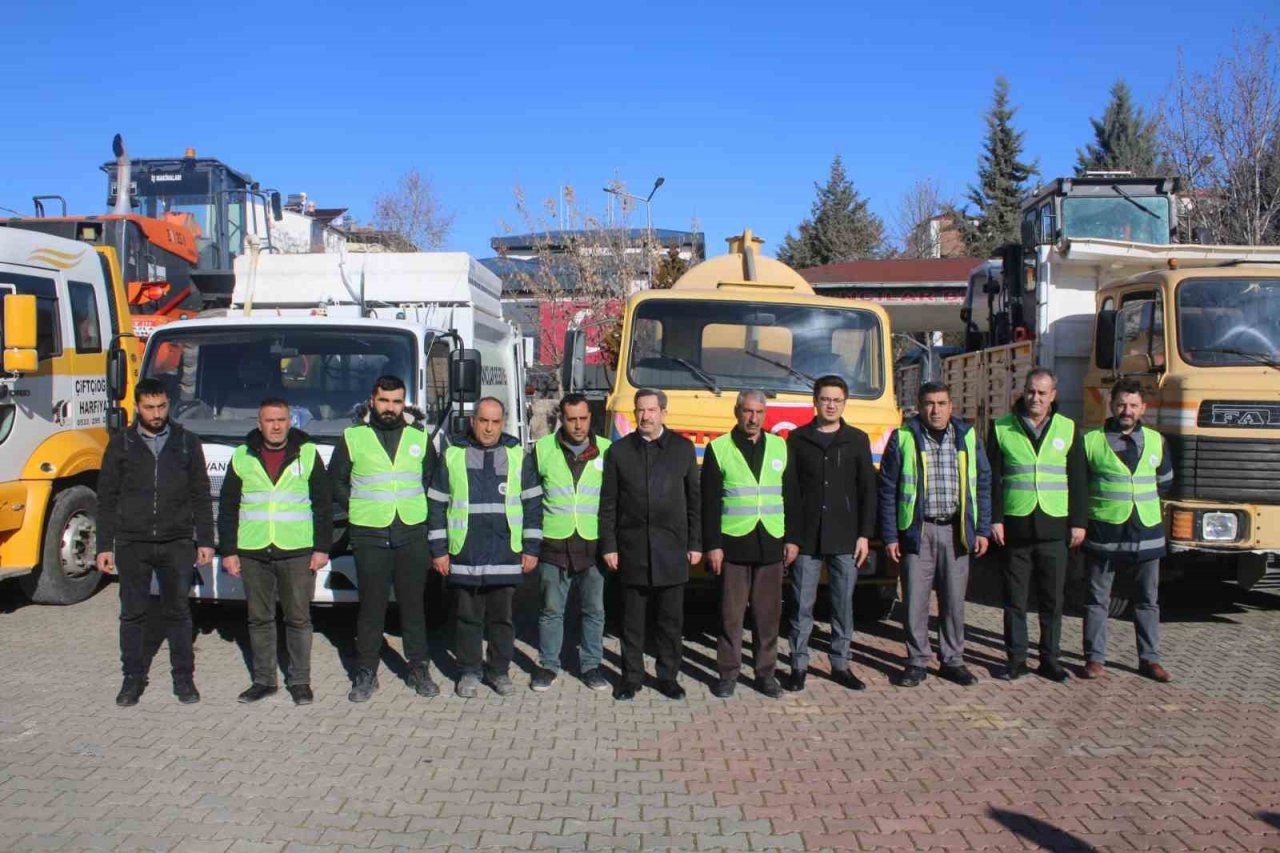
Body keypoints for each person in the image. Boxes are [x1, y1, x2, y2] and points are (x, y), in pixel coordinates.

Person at [96, 377, 214, 707]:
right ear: (137, 407)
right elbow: (106, 498)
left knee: (178, 613)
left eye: (162, 406)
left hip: (176, 542)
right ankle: (132, 678)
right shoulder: (121, 444)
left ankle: (184, 678)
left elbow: (200, 494)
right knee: (133, 614)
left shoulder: (187, 442)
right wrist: (104, 545)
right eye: (149, 407)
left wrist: (205, 539)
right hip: (133, 542)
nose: (157, 413)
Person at [329, 375, 437, 703]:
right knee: (371, 608)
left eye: (396, 401)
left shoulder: (419, 437)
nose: (390, 407)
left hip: (411, 532)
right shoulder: (353, 437)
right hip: (369, 533)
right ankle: (366, 672)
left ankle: (419, 668)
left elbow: (431, 480)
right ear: (372, 400)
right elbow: (336, 482)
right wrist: (357, 507)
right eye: (384, 400)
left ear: (404, 403)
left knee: (413, 607)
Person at [217, 398, 332, 705]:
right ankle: (264, 681)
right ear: (260, 424)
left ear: (290, 421)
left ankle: (300, 681)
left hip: (296, 550)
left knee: (299, 619)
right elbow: (227, 508)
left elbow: (323, 505)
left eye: (281, 420)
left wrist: (322, 548)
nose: (276, 426)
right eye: (270, 420)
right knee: (259, 619)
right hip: (253, 549)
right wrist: (228, 551)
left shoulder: (308, 454)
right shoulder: (241, 456)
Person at [878, 382, 991, 688]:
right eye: (929, 403)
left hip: (956, 531)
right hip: (919, 531)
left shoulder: (967, 436)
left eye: (941, 403)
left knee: (953, 601)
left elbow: (983, 483)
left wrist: (982, 529)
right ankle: (917, 661)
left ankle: (953, 660)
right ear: (919, 406)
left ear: (951, 406)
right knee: (915, 601)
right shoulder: (903, 437)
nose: (935, 410)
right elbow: (887, 489)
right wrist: (890, 536)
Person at [428, 397, 543, 698]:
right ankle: (468, 671)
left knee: (502, 620)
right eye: (483, 421)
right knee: (467, 619)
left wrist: (531, 548)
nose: (489, 428)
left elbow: (533, 504)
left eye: (495, 422)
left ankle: (498, 671)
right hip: (465, 553)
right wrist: (439, 550)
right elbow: (436, 505)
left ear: (503, 423)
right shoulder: (453, 454)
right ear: (473, 421)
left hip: (505, 553)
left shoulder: (517, 455)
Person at [599, 389, 701, 702]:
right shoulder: (619, 452)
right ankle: (631, 678)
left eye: (652, 410)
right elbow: (608, 503)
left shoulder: (683, 449)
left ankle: (668, 677)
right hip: (632, 550)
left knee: (670, 623)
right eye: (640, 410)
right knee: (631, 622)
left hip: (672, 550)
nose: (645, 416)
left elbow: (694, 501)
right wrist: (609, 545)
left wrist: (695, 543)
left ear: (663, 413)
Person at [987, 368, 1088, 682]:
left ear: (1053, 396)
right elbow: (992, 480)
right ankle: (1016, 659)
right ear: (1023, 391)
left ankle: (1049, 659)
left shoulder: (1068, 428)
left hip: (1054, 527)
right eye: (1031, 391)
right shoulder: (1002, 427)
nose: (1036, 398)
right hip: (1015, 527)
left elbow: (1078, 480)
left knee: (1052, 600)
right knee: (1015, 600)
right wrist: (995, 519)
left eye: (1042, 393)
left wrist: (1079, 522)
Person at [701, 390, 798, 699]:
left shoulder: (780, 446)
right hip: (733, 545)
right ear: (737, 412)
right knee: (730, 616)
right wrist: (713, 545)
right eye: (747, 411)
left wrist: (792, 539)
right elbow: (709, 503)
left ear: (765, 414)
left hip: (770, 542)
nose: (753, 418)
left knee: (767, 616)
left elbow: (792, 497)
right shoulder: (718, 449)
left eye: (759, 412)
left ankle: (765, 674)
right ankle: (728, 674)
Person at [782, 375, 877, 692]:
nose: (831, 405)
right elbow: (790, 491)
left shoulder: (857, 440)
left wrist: (864, 534)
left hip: (845, 536)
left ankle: (841, 664)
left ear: (845, 403)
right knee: (800, 605)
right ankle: (798, 665)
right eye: (825, 399)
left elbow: (867, 490)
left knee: (842, 605)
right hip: (806, 537)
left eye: (837, 400)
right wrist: (791, 536)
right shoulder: (797, 439)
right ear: (815, 401)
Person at [1081, 378, 1174, 683]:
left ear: (1143, 408)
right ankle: (1095, 659)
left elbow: (1165, 481)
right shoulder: (1090, 441)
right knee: (1097, 599)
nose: (1127, 410)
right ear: (1111, 405)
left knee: (1148, 599)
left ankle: (1150, 659)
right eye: (1121, 404)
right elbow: (1080, 487)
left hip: (1146, 531)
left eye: (1133, 405)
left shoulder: (1157, 441)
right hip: (1105, 530)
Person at [530, 394, 611, 693]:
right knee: (551, 610)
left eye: (583, 418)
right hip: (554, 543)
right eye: (572, 419)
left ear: (591, 418)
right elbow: (530, 500)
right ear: (561, 419)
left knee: (594, 611)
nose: (578, 425)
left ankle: (591, 666)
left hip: (593, 544)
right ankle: (548, 665)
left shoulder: (607, 451)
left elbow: (613, 502)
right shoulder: (542, 450)